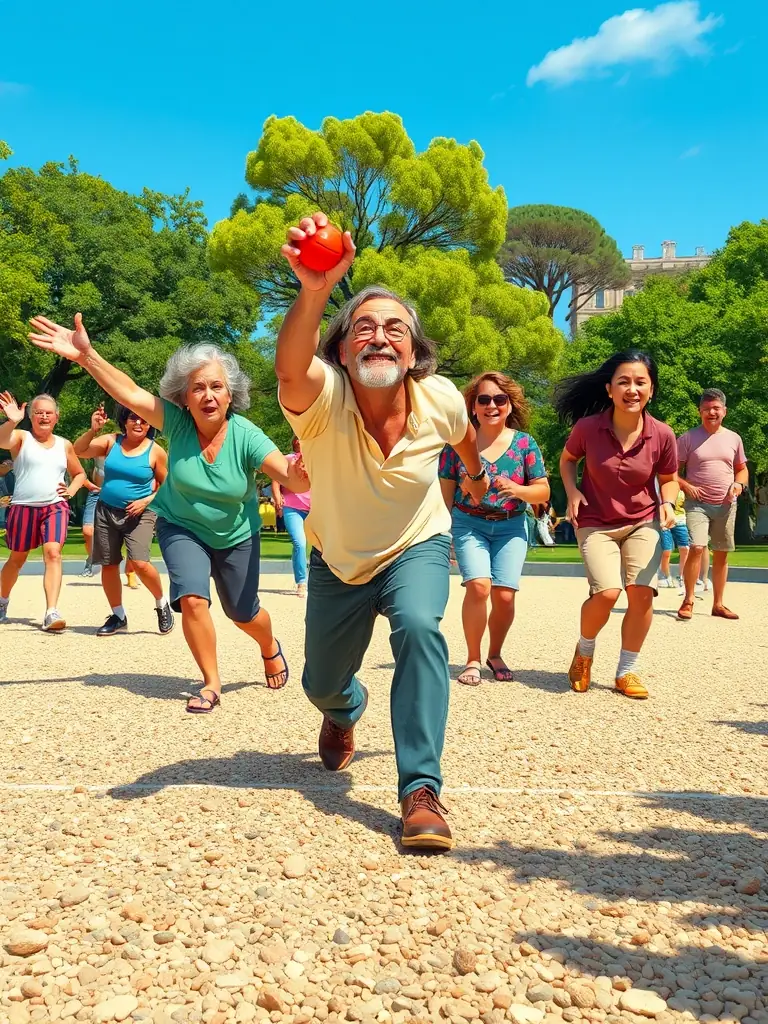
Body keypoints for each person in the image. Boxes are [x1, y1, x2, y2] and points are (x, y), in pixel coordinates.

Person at [276, 212, 488, 850]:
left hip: (416, 547)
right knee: (319, 683)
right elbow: (290, 370)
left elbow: (466, 437)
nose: (378, 337)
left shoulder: (441, 398)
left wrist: (474, 473)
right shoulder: (320, 402)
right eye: (362, 328)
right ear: (341, 351)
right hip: (338, 559)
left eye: (395, 329)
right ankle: (345, 710)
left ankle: (420, 789)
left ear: (415, 354)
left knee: (422, 629)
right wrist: (316, 290)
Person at [27, 317, 307, 711]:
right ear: (185, 397)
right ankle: (211, 682)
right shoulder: (176, 423)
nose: (208, 395)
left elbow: (289, 477)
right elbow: (129, 391)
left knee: (243, 613)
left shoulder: (247, 435)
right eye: (198, 388)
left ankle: (268, 644)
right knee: (192, 599)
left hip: (236, 534)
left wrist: (302, 472)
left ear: (230, 395)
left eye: (216, 387)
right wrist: (87, 357)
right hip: (182, 525)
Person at [556, 350, 678, 700]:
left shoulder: (663, 434)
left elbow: (669, 478)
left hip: (643, 520)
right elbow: (567, 461)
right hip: (595, 521)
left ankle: (626, 671)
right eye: (623, 382)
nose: (632, 389)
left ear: (651, 390)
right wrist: (572, 492)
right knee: (608, 593)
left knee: (641, 593)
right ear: (609, 389)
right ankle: (585, 651)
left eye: (641, 382)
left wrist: (667, 501)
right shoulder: (588, 427)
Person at [439, 372, 549, 686]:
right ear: (472, 407)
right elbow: (445, 496)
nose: (491, 405)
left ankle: (495, 653)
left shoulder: (524, 444)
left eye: (499, 399)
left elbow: (542, 491)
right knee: (479, 587)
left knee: (504, 596)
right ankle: (473, 658)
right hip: (468, 524)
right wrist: (443, 536)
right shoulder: (457, 443)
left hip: (511, 527)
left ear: (510, 406)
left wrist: (518, 489)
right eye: (483, 399)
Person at [74, 403, 174, 637]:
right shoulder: (111, 441)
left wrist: (147, 501)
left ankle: (162, 603)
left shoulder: (155, 451)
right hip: (106, 510)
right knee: (108, 564)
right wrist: (93, 430)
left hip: (140, 513)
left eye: (143, 419)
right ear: (124, 421)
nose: (138, 423)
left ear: (149, 424)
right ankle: (118, 616)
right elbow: (79, 450)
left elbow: (169, 484)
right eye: (133, 418)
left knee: (139, 563)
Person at [0, 391, 86, 630]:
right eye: (39, 413)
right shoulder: (20, 437)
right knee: (17, 558)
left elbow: (80, 473)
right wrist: (12, 420)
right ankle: (2, 601)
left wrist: (71, 490)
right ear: (31, 417)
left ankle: (51, 611)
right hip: (23, 507)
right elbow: (1, 440)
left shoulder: (64, 444)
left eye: (48, 413)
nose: (44, 417)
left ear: (56, 417)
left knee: (53, 553)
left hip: (55, 505)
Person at [677, 388, 748, 621]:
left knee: (721, 553)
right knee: (697, 547)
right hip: (697, 504)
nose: (711, 412)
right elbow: (670, 473)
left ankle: (718, 604)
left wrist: (738, 485)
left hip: (727, 505)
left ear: (724, 411)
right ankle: (688, 600)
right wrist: (687, 486)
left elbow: (741, 469)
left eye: (716, 408)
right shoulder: (688, 438)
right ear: (700, 412)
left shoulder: (734, 438)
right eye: (706, 409)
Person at [272, 437, 311, 597]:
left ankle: (322, 581)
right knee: (300, 543)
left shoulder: (315, 459)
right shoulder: (287, 459)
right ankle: (301, 582)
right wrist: (277, 496)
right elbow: (276, 478)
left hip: (313, 508)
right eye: (299, 441)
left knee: (322, 546)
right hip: (292, 507)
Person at [657, 488, 690, 592]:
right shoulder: (662, 488)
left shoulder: (682, 489)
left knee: (685, 548)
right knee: (667, 550)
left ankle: (682, 576)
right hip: (665, 521)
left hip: (680, 520)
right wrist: (662, 520)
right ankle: (666, 576)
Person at [79, 455, 105, 577]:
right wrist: (86, 483)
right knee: (88, 531)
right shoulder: (95, 452)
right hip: (95, 492)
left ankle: (130, 571)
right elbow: (75, 455)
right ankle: (91, 559)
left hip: (116, 494)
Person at [755, 474, 768, 540]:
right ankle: (764, 533)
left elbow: (756, 498)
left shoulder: (758, 489)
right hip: (764, 506)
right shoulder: (764, 489)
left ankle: (763, 533)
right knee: (764, 520)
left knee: (762, 520)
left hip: (760, 506)